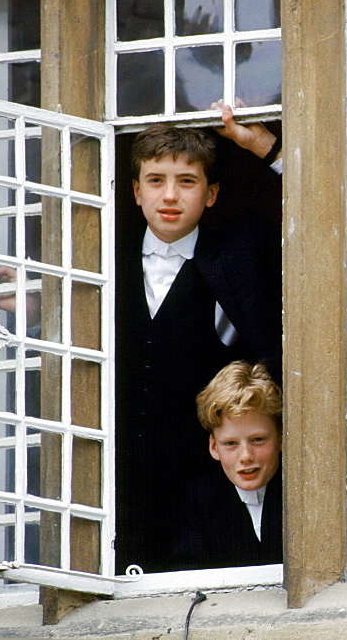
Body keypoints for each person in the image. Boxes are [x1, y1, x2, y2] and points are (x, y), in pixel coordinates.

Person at [114, 108, 282, 574]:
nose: (169, 195)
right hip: (116, 489)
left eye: (187, 181)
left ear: (211, 194)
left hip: (210, 492)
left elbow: (330, 216)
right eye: (155, 180)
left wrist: (267, 149)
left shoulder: (241, 251)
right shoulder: (101, 263)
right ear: (135, 190)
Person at [169, 361, 282, 570]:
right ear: (214, 447)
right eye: (230, 443)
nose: (246, 456)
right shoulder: (201, 499)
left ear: (281, 438)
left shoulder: (300, 493)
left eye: (258, 440)